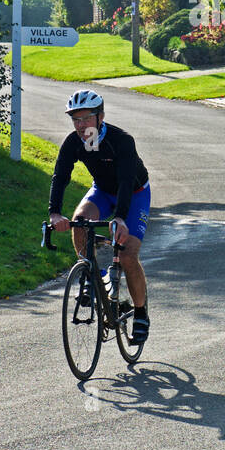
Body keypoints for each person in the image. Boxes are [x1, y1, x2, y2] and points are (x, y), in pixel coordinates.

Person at [48, 90, 152, 343]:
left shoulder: (122, 140)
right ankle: (89, 273)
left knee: (128, 256)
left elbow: (127, 182)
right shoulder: (73, 142)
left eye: (86, 119)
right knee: (80, 222)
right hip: (102, 191)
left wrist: (120, 218)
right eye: (76, 120)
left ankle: (140, 313)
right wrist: (54, 213)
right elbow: (60, 177)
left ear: (100, 116)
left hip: (135, 193)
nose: (81, 126)